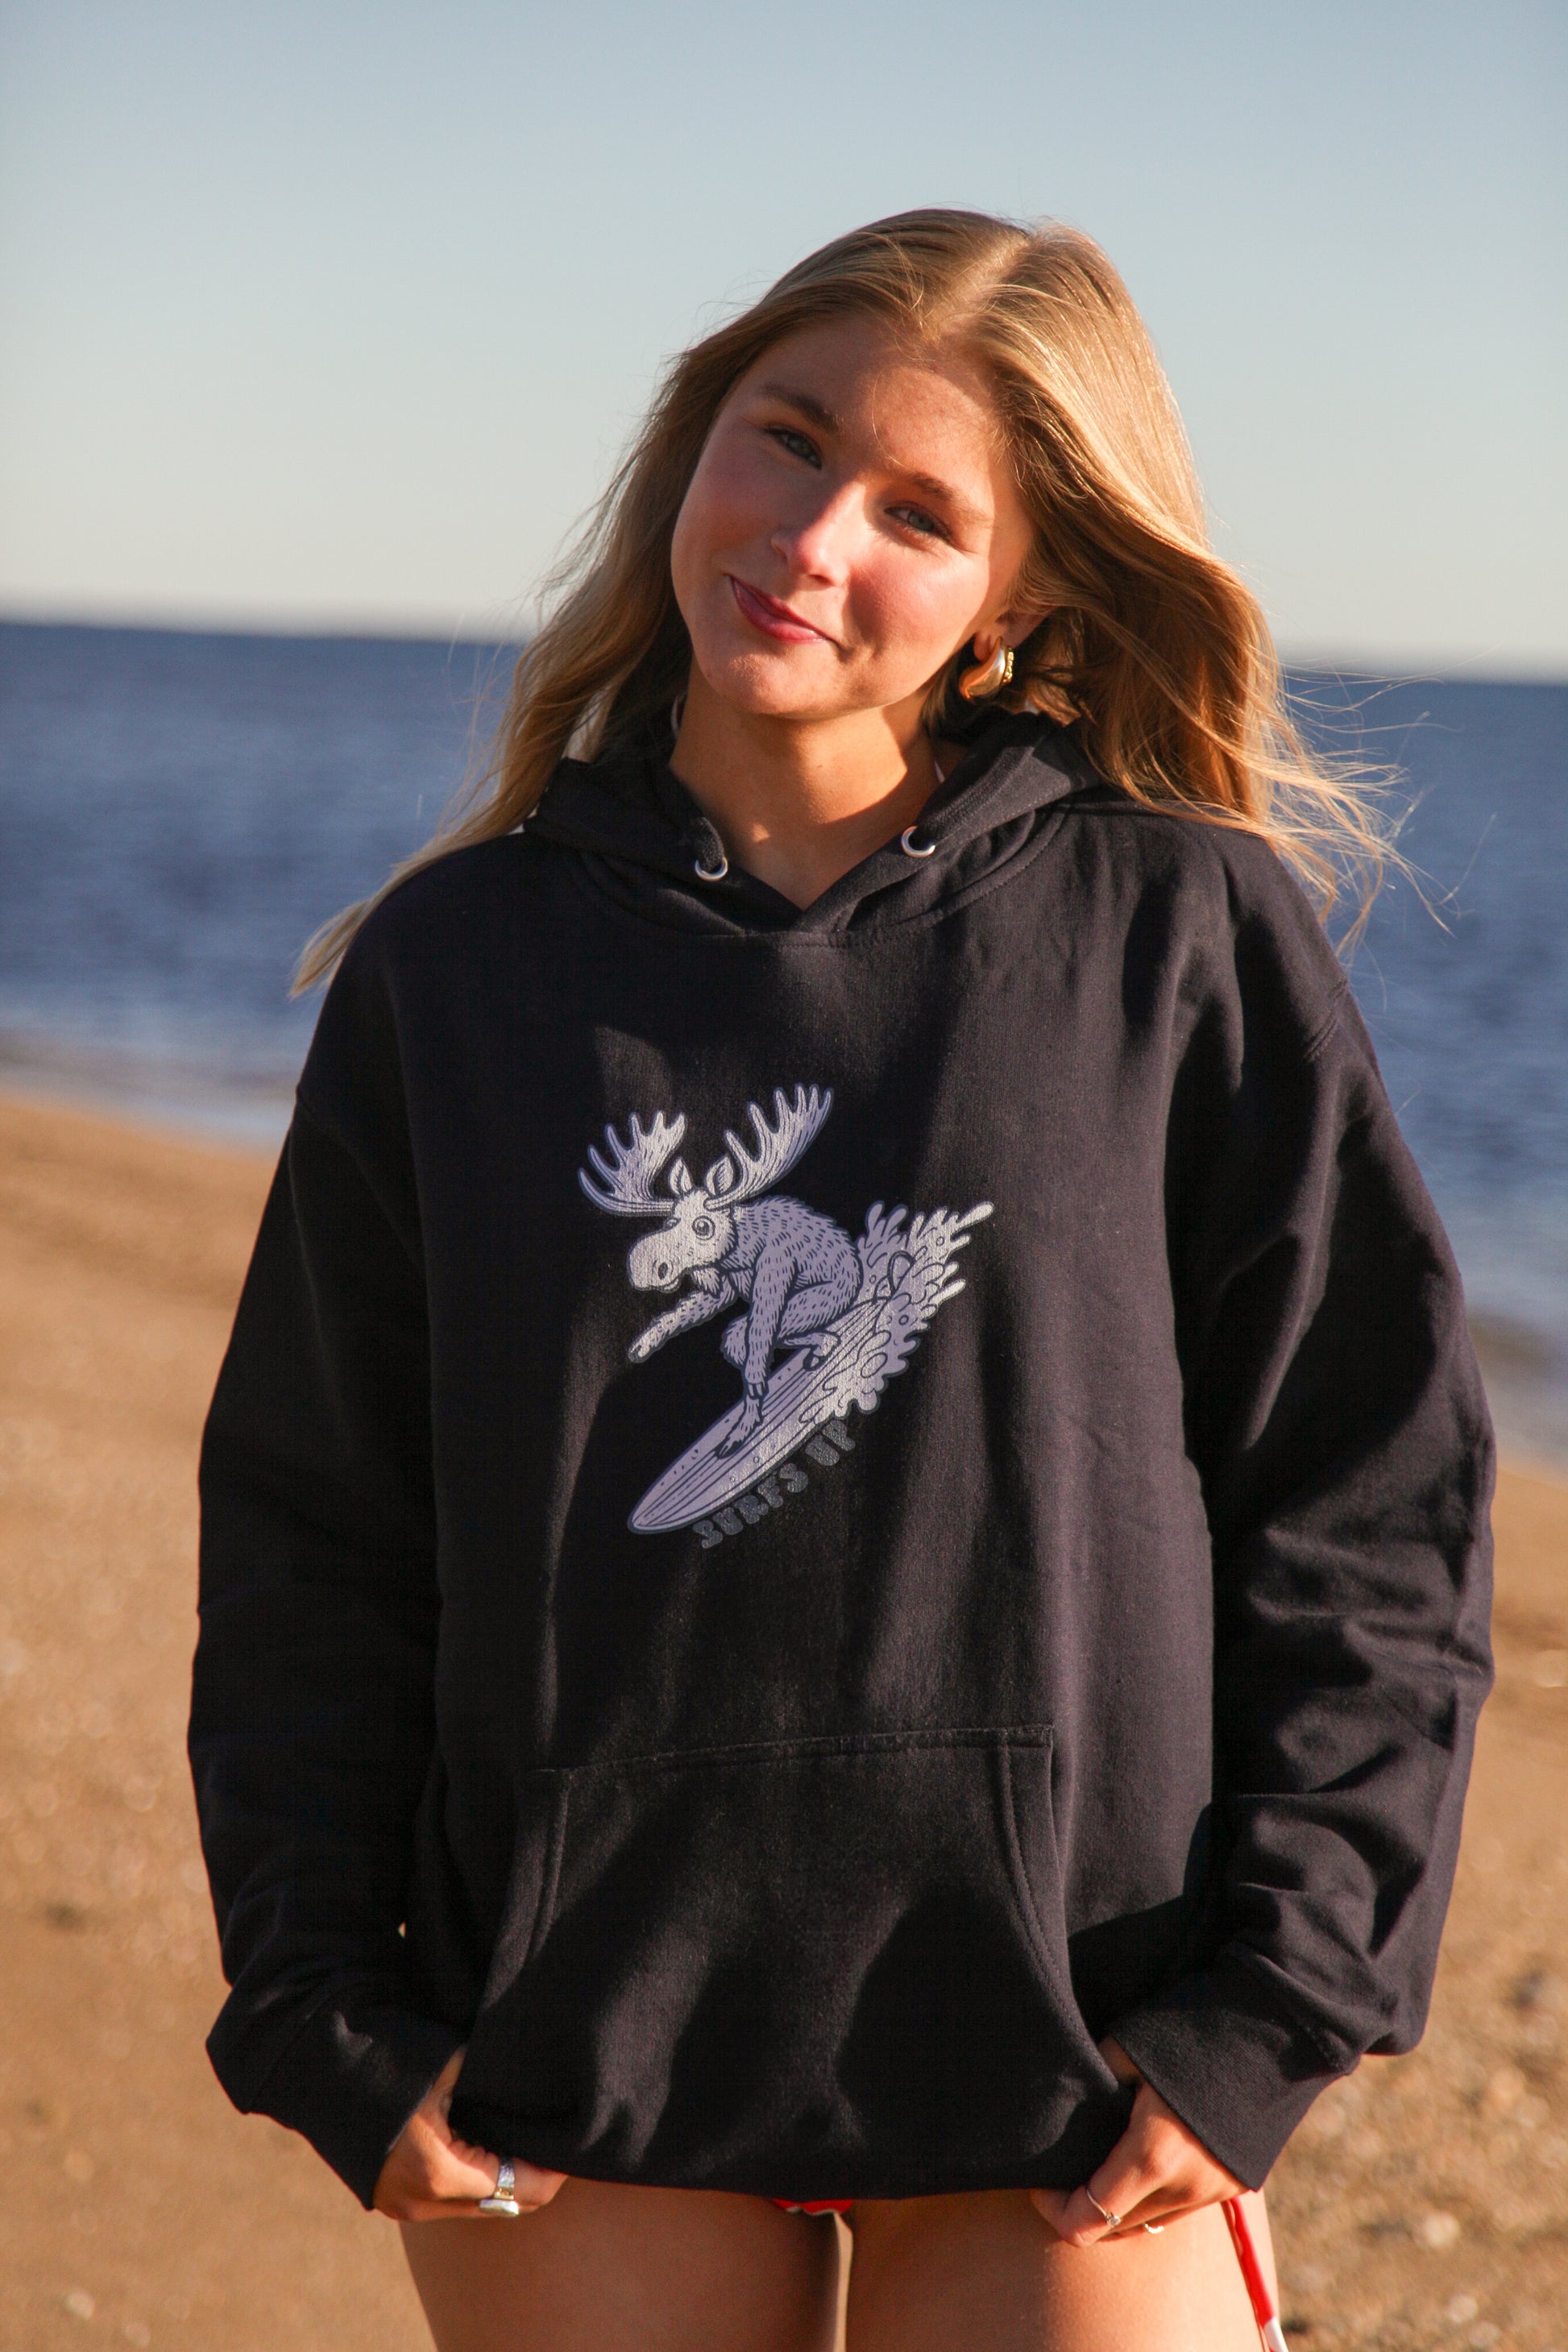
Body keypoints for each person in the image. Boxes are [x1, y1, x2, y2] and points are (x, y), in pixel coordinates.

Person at [189, 210, 1494, 2351]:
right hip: (572, 2036)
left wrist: (1275, 2001)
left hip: (1078, 2037)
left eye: (918, 512)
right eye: (785, 440)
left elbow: (1365, 1496)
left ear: (1021, 594)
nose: (810, 541)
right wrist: (320, 2001)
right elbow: (318, 1526)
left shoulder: (1175, 933)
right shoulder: (460, 967)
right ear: (694, 436)